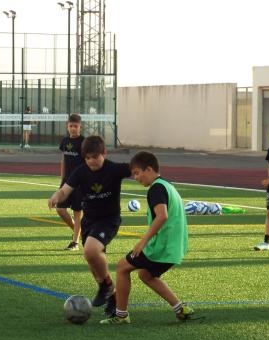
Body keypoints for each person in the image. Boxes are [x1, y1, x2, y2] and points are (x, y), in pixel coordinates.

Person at [100, 151, 195, 324]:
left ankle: (121, 315)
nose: (135, 177)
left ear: (149, 169)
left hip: (161, 246)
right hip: (174, 246)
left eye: (137, 173)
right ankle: (180, 308)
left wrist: (142, 242)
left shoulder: (156, 189)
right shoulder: (167, 185)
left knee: (122, 267)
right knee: (146, 275)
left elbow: (162, 216)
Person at [48, 135, 131, 316]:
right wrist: (56, 196)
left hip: (108, 219)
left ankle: (107, 285)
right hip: (89, 222)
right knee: (94, 264)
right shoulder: (81, 171)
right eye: (88, 158)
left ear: (104, 153)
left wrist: (156, 179)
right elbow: (64, 191)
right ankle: (113, 298)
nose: (92, 161)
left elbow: (138, 169)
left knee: (90, 251)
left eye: (95, 157)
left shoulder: (114, 169)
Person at [56, 113, 85, 251]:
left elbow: (88, 163)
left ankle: (75, 243)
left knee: (77, 212)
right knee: (60, 209)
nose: (73, 128)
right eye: (71, 126)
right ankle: (77, 231)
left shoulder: (84, 143)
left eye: (76, 126)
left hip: (79, 183)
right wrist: (62, 179)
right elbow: (63, 160)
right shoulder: (65, 141)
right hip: (66, 182)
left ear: (80, 127)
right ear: (67, 127)